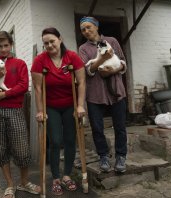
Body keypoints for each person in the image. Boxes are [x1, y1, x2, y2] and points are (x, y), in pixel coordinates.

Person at [0, 31, 40, 198]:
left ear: (11, 45)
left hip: (15, 110)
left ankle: (24, 182)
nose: (3, 49)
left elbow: (23, 85)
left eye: (6, 45)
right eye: (0, 46)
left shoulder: (19, 63)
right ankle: (10, 185)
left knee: (21, 148)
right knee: (0, 148)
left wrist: (3, 95)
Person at [31, 27, 86, 196]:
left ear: (60, 39)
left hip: (71, 105)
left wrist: (80, 106)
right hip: (52, 107)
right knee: (55, 141)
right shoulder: (40, 61)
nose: (49, 45)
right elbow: (38, 88)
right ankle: (55, 177)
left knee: (70, 140)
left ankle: (67, 175)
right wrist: (40, 111)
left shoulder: (72, 57)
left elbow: (81, 82)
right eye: (46, 43)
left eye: (52, 41)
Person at [78, 16, 128, 173]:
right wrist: (103, 59)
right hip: (95, 93)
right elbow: (88, 70)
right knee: (97, 128)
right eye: (83, 29)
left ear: (96, 27)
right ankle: (103, 156)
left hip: (116, 89)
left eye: (89, 27)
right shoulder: (83, 49)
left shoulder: (112, 41)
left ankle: (121, 156)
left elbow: (122, 62)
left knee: (120, 126)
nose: (86, 31)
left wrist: (113, 70)